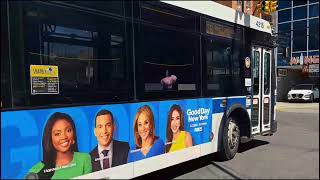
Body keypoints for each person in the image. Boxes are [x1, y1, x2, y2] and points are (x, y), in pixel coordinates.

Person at [26, 112, 92, 179]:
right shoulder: (36, 171)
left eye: (68, 130)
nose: (64, 137)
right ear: (50, 138)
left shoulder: (85, 159)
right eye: (57, 134)